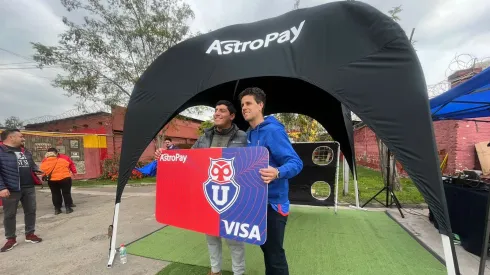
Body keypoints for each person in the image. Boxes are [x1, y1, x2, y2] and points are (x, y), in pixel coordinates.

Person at [155, 100, 248, 275]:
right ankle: (215, 271)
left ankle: (239, 272)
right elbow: (189, 160)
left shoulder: (242, 137)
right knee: (212, 236)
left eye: (222, 110)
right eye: (216, 110)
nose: (217, 113)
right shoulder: (204, 137)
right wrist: (165, 155)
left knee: (234, 239)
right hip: (208, 194)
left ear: (232, 115)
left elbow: (249, 165)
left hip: (232, 196)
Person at [239, 87, 303, 275]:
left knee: (274, 253)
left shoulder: (273, 131)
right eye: (242, 104)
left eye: (248, 103)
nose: (244, 107)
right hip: (257, 202)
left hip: (274, 204)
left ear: (260, 105)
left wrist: (277, 172)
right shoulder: (249, 134)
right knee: (266, 248)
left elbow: (295, 162)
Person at [0, 129, 43, 252]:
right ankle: (11, 239)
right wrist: (1, 187)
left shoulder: (25, 151)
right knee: (9, 214)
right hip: (11, 188)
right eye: (21, 136)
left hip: (28, 187)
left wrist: (36, 170)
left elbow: (31, 164)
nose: (23, 139)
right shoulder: (1, 151)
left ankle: (30, 234)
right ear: (11, 137)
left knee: (31, 211)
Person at [40, 147, 77, 215]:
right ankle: (68, 208)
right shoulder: (62, 160)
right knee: (66, 193)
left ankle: (57, 209)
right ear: (56, 154)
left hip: (52, 180)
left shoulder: (44, 162)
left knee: (55, 194)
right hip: (65, 178)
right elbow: (68, 165)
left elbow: (42, 171)